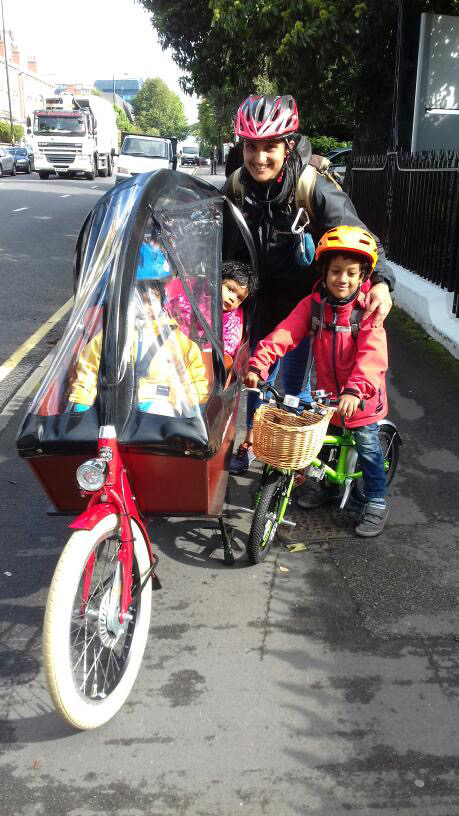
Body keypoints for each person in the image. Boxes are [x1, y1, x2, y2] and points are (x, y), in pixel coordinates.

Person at [223, 94, 394, 474]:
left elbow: (358, 235)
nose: (260, 157)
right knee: (255, 374)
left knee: (292, 385)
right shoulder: (236, 187)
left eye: (270, 146)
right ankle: (254, 439)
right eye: (252, 146)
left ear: (288, 145)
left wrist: (381, 281)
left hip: (304, 306)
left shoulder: (310, 186)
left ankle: (294, 459)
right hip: (258, 303)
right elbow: (213, 241)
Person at [245, 226, 389, 537]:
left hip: (361, 399)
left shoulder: (367, 312)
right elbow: (285, 332)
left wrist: (355, 390)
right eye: (336, 271)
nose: (343, 279)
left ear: (364, 276)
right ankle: (325, 486)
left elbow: (372, 356)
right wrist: (260, 363)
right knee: (321, 447)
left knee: (368, 448)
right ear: (323, 272)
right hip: (328, 398)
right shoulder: (313, 305)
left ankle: (376, 501)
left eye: (351, 273)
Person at [69, 239, 208, 418]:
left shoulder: (175, 339)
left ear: (163, 300)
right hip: (116, 411)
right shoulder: (112, 335)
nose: (146, 306)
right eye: (138, 299)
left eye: (152, 298)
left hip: (162, 414)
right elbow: (89, 369)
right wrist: (82, 402)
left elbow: (192, 372)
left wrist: (196, 403)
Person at [167, 260, 257, 357]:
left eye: (239, 298)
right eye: (230, 289)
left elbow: (228, 345)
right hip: (176, 346)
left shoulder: (232, 320)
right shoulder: (197, 295)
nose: (233, 299)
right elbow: (177, 311)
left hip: (205, 360)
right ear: (217, 282)